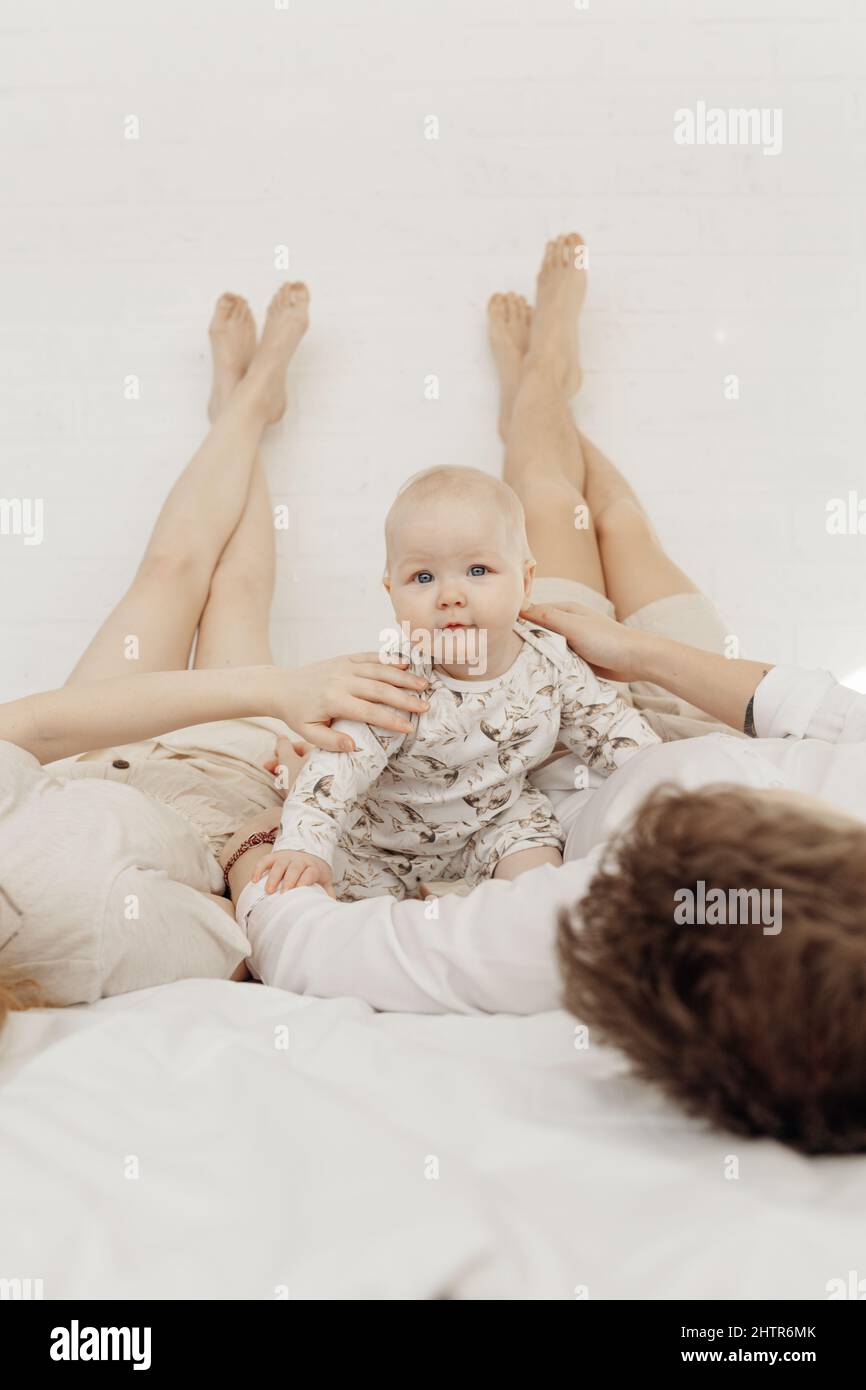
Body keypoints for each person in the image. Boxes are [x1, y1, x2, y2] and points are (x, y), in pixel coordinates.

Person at [223, 235, 866, 1156]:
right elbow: (816, 712)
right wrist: (635, 655)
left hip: (557, 686)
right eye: (420, 579)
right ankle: (547, 380)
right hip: (678, 682)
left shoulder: (599, 921)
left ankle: (539, 396)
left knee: (556, 505)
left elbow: (324, 945)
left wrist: (273, 860)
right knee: (615, 521)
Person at [0, 285, 430, 1021]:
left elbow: (29, 730)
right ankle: (247, 399)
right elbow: (236, 929)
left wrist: (276, 688)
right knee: (237, 589)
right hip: (216, 795)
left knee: (171, 570)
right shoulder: (88, 937)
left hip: (87, 753)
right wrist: (288, 819)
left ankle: (246, 397)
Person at [254, 461, 660, 901]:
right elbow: (337, 767)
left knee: (536, 861)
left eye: (478, 571)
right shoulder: (395, 682)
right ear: (392, 596)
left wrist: (668, 783)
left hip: (494, 818)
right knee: (331, 888)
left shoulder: (551, 662)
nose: (450, 595)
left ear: (525, 582)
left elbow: (610, 730)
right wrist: (304, 845)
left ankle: (515, 916)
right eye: (423, 577)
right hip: (384, 837)